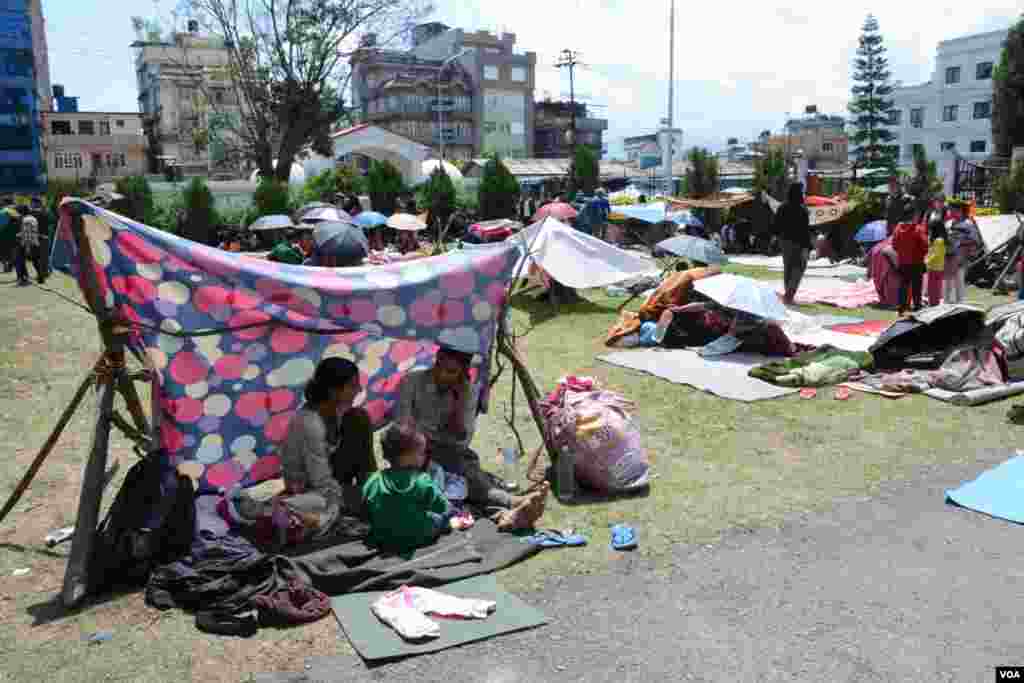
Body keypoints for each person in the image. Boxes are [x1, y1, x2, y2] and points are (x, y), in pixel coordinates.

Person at [395, 346, 548, 528]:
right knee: (462, 477)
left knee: (462, 478)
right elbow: (403, 427)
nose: (442, 375)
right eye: (439, 366)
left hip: (450, 453)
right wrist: (431, 441)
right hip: (413, 452)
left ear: (462, 373)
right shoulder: (413, 381)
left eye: (451, 372)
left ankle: (506, 516)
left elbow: (462, 441)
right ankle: (511, 503)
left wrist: (458, 408)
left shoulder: (467, 392)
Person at [276, 358, 376, 536]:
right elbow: (316, 483)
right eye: (352, 385)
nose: (359, 390)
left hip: (339, 491)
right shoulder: (307, 424)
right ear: (333, 391)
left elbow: (367, 468)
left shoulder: (354, 417)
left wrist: (374, 495)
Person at [362, 421, 455, 553]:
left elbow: (366, 512)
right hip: (420, 536)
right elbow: (442, 507)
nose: (424, 456)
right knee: (444, 515)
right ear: (408, 456)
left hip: (384, 538)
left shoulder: (373, 481)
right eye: (421, 453)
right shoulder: (422, 481)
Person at [774, 182, 811, 305]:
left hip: (784, 242)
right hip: (799, 243)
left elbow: (776, 225)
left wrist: (779, 238)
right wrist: (807, 247)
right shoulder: (802, 209)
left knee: (788, 268)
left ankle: (788, 294)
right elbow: (805, 230)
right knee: (799, 268)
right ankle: (789, 295)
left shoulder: (782, 207)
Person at [892, 208, 928, 315]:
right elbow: (925, 246)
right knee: (917, 286)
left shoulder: (898, 228)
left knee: (903, 286)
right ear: (914, 216)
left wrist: (902, 254)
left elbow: (894, 245)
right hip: (916, 262)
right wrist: (921, 255)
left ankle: (901, 307)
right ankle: (917, 306)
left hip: (903, 262)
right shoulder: (918, 229)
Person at [925, 218, 947, 307]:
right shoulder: (941, 240)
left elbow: (935, 254)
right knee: (935, 288)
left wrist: (926, 261)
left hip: (934, 268)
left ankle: (933, 305)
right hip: (939, 267)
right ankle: (934, 304)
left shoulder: (938, 241)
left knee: (932, 289)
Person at [14, 208, 37, 286]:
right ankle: (25, 277)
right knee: (22, 261)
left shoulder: (25, 220)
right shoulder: (33, 218)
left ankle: (21, 278)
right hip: (33, 242)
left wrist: (27, 247)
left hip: (26, 243)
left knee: (18, 260)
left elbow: (27, 234)